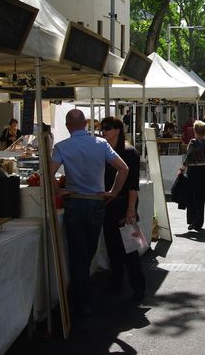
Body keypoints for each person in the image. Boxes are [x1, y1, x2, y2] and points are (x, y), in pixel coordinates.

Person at [49, 109, 128, 315]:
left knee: (78, 252)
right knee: (88, 250)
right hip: (96, 202)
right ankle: (82, 296)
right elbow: (124, 168)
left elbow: (48, 173)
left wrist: (59, 190)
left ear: (67, 126)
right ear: (85, 124)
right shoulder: (101, 144)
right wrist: (113, 192)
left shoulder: (62, 146)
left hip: (74, 202)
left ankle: (80, 298)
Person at [100, 117, 146, 302]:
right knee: (112, 245)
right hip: (108, 203)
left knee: (129, 246)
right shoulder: (104, 150)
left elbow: (133, 185)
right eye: (102, 127)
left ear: (118, 129)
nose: (103, 131)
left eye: (107, 128)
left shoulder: (129, 152)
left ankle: (138, 286)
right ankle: (116, 281)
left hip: (124, 202)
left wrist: (130, 209)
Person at [177, 121, 205, 231]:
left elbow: (189, 157)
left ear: (195, 131)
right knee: (201, 196)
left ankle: (192, 219)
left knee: (192, 195)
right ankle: (199, 221)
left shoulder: (193, 142)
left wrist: (182, 169)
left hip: (194, 170)